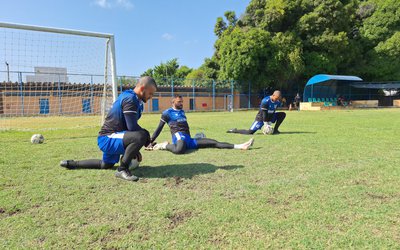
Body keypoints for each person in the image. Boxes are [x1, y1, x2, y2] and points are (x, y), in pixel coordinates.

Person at [59, 76, 157, 181]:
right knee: (141, 135)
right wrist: (145, 138)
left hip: (115, 137)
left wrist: (134, 150)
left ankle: (72, 164)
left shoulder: (134, 98)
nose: (151, 97)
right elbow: (132, 127)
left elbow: (129, 128)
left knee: (105, 164)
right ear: (142, 89)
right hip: (108, 138)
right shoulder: (130, 99)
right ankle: (122, 169)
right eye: (150, 93)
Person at [147, 95, 254, 154]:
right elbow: (159, 129)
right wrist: (150, 141)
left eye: (182, 101)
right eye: (179, 101)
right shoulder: (167, 113)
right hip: (179, 137)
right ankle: (164, 145)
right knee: (179, 150)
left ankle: (241, 146)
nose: (181, 103)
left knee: (213, 143)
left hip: (189, 139)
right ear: (173, 102)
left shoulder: (182, 112)